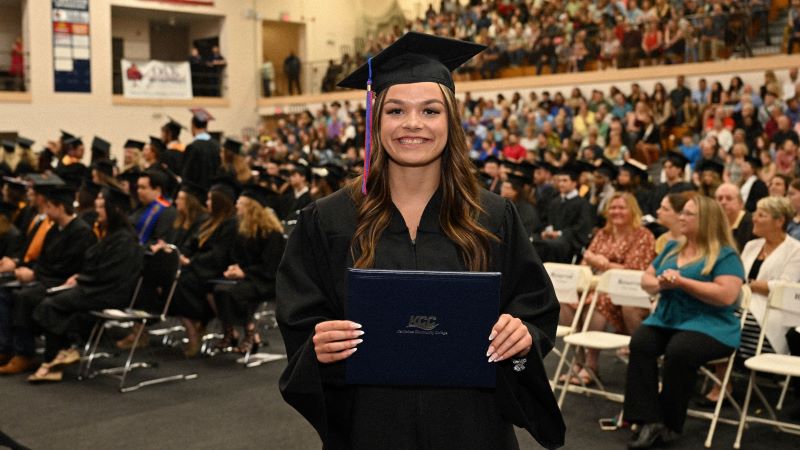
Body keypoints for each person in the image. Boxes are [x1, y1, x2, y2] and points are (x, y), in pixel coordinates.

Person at [277, 32, 564, 449]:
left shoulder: (493, 216)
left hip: (472, 428)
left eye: (430, 110)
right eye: (396, 110)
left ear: (451, 121)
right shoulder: (329, 219)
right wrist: (317, 345)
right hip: (371, 429)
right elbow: (300, 319)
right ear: (377, 121)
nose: (413, 123)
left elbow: (534, 306)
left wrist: (523, 336)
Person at [625, 196, 744, 448]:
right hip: (667, 319)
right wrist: (661, 283)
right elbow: (646, 279)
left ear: (706, 220)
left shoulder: (725, 255)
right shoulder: (672, 248)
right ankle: (648, 420)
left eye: (688, 214)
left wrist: (682, 282)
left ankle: (670, 423)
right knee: (641, 342)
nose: (681, 217)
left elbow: (727, 295)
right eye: (682, 212)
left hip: (710, 324)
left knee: (680, 350)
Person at [28, 186, 143, 382]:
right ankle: (63, 352)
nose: (97, 211)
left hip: (109, 292)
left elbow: (111, 274)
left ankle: (54, 359)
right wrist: (81, 277)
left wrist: (81, 279)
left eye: (102, 207)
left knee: (51, 304)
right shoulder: (112, 234)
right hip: (96, 286)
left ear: (114, 210)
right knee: (51, 301)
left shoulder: (124, 239)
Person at [703, 196, 800, 405]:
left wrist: (750, 284)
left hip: (771, 313)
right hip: (740, 303)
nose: (753, 218)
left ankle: (722, 384)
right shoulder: (752, 246)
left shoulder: (795, 250)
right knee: (712, 316)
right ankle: (722, 380)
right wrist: (750, 284)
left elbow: (785, 288)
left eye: (761, 215)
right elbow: (736, 276)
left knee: (727, 324)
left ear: (779, 221)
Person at [560, 192, 655, 385]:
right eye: (613, 207)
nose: (616, 212)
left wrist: (603, 264)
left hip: (624, 291)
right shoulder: (603, 234)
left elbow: (635, 270)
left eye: (621, 208)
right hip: (594, 285)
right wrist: (593, 264)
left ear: (632, 211)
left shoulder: (643, 235)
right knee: (566, 300)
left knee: (597, 301)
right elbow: (585, 262)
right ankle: (578, 360)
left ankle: (591, 363)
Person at [0, 185, 95, 375]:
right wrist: (26, 271)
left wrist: (34, 275)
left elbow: (67, 268)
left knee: (24, 296)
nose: (46, 211)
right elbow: (43, 260)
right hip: (45, 278)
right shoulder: (54, 230)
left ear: (60, 207)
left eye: (50, 206)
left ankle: (25, 353)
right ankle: (5, 347)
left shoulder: (81, 232)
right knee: (3, 290)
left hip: (63, 283)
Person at [168, 180, 237, 357]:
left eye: (210, 199)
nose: (207, 203)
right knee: (172, 278)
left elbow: (219, 255)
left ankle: (197, 324)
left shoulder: (230, 224)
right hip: (200, 267)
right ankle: (195, 324)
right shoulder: (208, 221)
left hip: (215, 269)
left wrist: (191, 262)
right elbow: (193, 244)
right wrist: (184, 256)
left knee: (181, 282)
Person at [213, 185, 285, 354]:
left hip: (267, 280)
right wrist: (235, 267)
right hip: (251, 276)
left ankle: (250, 332)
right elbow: (238, 256)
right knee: (217, 289)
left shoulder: (272, 233)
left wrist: (244, 272)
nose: (236, 205)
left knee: (235, 293)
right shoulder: (243, 229)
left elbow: (271, 266)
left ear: (251, 208)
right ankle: (230, 332)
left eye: (240, 203)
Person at [533, 164, 594, 264]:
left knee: (550, 245)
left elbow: (581, 227)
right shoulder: (554, 201)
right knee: (534, 242)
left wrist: (559, 233)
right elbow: (547, 221)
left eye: (565, 181)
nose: (561, 184)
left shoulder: (582, 203)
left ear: (574, 183)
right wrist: (547, 231)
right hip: (551, 238)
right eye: (559, 181)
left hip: (569, 241)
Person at [130, 170, 176, 246]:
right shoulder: (140, 206)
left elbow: (159, 241)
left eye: (143, 188)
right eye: (138, 187)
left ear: (157, 190)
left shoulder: (167, 212)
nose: (138, 191)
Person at [181, 109, 221, 191]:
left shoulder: (192, 147)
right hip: (214, 191)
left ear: (192, 125)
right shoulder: (217, 145)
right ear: (206, 126)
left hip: (196, 192)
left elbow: (187, 175)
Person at [715, 183, 754, 251]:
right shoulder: (712, 224)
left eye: (729, 198)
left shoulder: (753, 224)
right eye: (720, 199)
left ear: (741, 204)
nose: (723, 202)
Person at [500, 172, 539, 238]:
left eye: (507, 188)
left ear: (516, 191)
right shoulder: (504, 204)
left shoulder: (527, 209)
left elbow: (525, 232)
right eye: (502, 187)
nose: (502, 190)